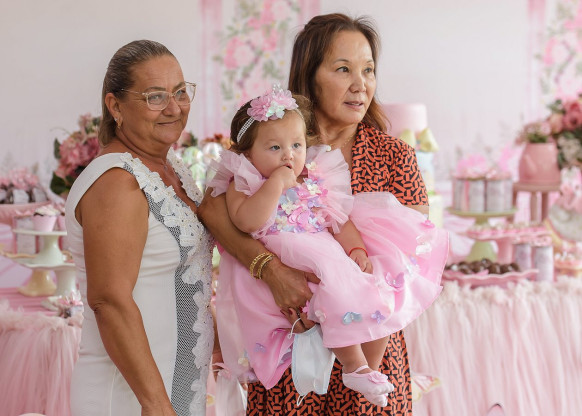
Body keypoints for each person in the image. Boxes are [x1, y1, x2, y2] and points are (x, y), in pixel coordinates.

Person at [198, 13, 434, 415]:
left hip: (366, 353)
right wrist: (272, 271)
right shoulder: (271, 146)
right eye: (343, 69)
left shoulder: (395, 156)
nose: (360, 84)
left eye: (368, 70)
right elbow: (214, 211)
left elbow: (412, 258)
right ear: (310, 76)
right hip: (288, 344)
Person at [66, 40, 214, 416]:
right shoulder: (116, 180)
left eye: (180, 92)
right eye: (155, 97)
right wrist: (156, 405)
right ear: (115, 106)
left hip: (175, 386)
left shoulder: (171, 166)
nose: (174, 108)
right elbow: (109, 301)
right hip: (131, 398)